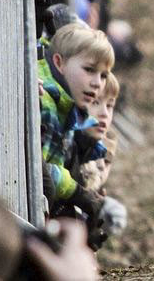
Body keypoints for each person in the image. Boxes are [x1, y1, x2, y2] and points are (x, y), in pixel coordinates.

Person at [38, 22, 114, 224]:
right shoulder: (46, 104)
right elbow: (41, 171)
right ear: (59, 63)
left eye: (104, 75)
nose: (98, 83)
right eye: (89, 70)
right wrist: (80, 195)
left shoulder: (67, 105)